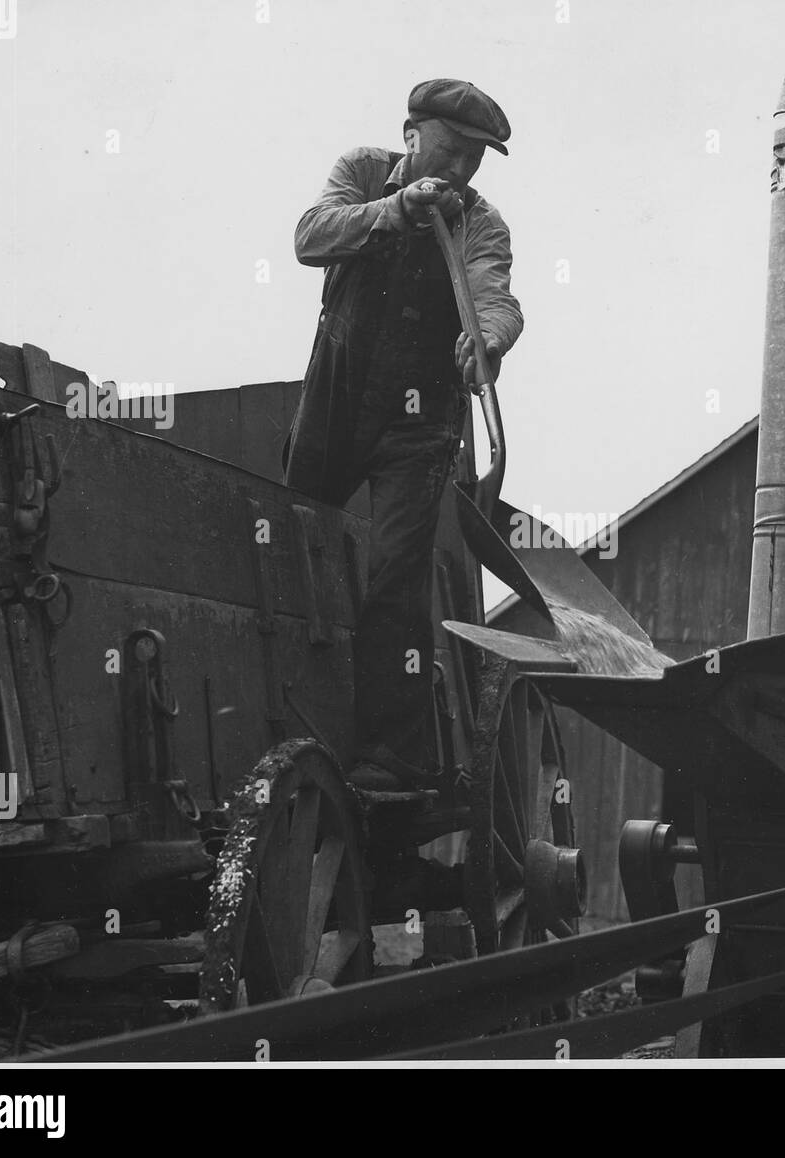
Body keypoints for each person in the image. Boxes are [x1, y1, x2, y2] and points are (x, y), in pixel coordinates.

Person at [284, 78, 523, 790]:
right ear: (413, 136)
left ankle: (393, 756)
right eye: (451, 152)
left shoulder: (482, 223)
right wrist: (394, 210)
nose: (460, 171)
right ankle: (293, 721)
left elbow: (495, 295)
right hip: (337, 395)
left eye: (476, 158)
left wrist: (489, 339)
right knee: (295, 543)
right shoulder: (361, 172)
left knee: (395, 577)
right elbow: (309, 237)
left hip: (420, 428)